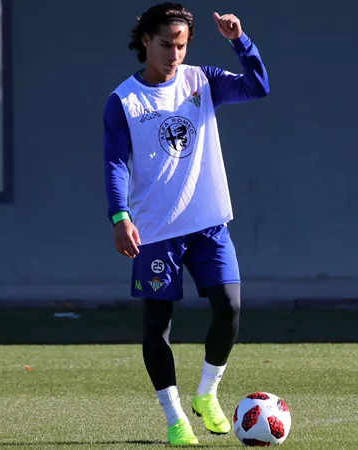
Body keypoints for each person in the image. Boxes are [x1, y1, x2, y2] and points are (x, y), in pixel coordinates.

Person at [102, 2, 269, 446]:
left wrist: (240, 42)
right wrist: (120, 216)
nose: (174, 54)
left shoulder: (202, 80)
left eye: (181, 45)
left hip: (209, 224)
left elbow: (258, 88)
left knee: (229, 308)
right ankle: (175, 417)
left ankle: (207, 394)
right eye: (165, 44)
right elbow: (116, 163)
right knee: (158, 328)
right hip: (156, 232)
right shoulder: (124, 100)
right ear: (144, 41)